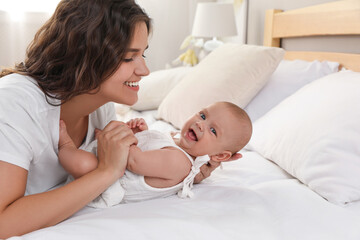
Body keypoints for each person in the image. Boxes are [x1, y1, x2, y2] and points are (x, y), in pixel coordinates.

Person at [0, 0, 220, 237]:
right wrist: (106, 173)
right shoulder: (14, 103)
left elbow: (123, 173)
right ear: (84, 55)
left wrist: (186, 174)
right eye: (129, 57)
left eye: (143, 54)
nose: (144, 70)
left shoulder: (100, 105)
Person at [58, 101, 252, 207]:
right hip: (113, 164)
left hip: (110, 185)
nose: (201, 124)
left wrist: (122, 137)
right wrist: (143, 134)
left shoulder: (180, 163)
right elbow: (153, 152)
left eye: (213, 130)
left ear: (219, 156)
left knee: (83, 164)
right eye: (203, 115)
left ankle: (65, 145)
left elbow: (135, 161)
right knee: (114, 129)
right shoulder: (177, 145)